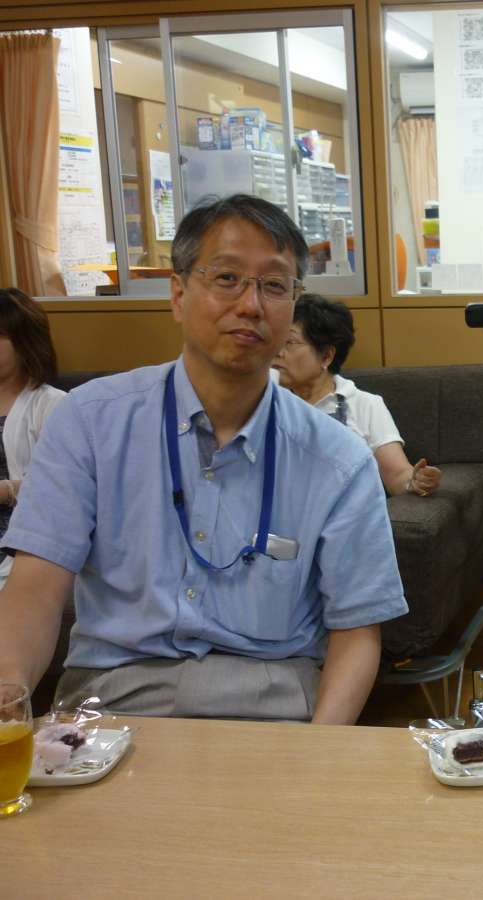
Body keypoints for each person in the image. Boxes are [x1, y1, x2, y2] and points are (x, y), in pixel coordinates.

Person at [0, 194, 407, 724]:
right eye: (227, 278)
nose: (251, 304)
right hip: (113, 704)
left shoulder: (339, 458)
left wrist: (319, 750)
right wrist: (8, 699)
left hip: (276, 708)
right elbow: (35, 587)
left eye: (274, 285)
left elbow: (357, 629)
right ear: (178, 294)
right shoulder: (90, 421)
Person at [272, 293, 440, 497]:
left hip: (345, 512)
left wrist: (415, 481)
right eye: (276, 339)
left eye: (289, 342)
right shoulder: (265, 403)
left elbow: (396, 475)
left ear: (326, 356)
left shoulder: (365, 405)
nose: (277, 351)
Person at [0, 289, 65, 589]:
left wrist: (7, 490)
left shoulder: (53, 405)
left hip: (23, 549)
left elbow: (65, 486)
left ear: (25, 342)